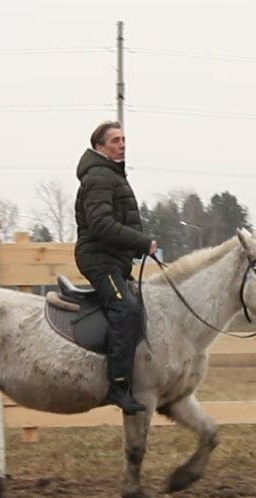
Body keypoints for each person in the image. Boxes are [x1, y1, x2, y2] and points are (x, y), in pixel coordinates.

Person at [74, 120, 159, 415]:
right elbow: (101, 224)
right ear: (100, 147)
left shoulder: (111, 175)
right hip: (100, 260)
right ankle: (118, 386)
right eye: (115, 141)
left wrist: (135, 246)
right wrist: (141, 241)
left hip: (113, 258)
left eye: (123, 140)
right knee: (126, 309)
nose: (122, 145)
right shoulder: (99, 177)